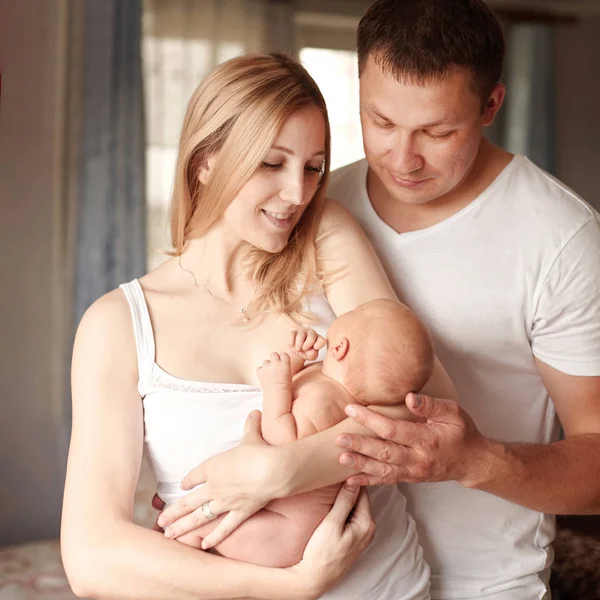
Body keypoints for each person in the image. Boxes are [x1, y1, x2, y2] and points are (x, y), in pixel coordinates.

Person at [156, 1, 600, 599]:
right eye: (380, 121)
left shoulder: (563, 241)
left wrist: (476, 461)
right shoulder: (307, 206)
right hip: (339, 580)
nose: (403, 157)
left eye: (438, 131)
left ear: (491, 105)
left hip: (485, 584)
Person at [61, 51, 455, 600]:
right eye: (272, 163)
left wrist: (281, 472)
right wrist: (292, 585)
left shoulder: (324, 240)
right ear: (204, 161)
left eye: (313, 167)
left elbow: (433, 417)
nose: (298, 193)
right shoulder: (119, 325)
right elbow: (91, 556)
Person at [173, 299, 435, 571]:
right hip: (283, 522)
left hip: (284, 530)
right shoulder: (330, 385)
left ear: (339, 347)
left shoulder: (326, 401)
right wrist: (296, 359)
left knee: (188, 535)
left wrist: (276, 386)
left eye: (354, 311)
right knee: (193, 535)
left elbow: (283, 444)